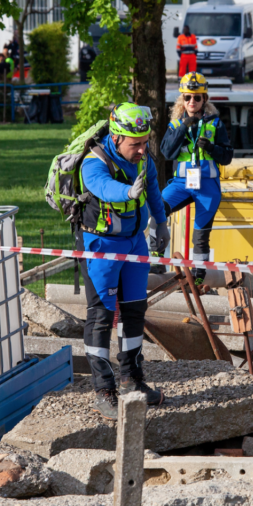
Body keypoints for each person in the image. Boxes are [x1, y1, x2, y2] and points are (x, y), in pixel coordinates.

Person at [77, 103, 170, 415]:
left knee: (134, 312)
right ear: (116, 138)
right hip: (100, 244)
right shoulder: (94, 161)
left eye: (145, 142)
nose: (143, 150)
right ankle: (103, 390)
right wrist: (129, 193)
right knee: (102, 316)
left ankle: (131, 380)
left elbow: (154, 191)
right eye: (136, 144)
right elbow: (101, 186)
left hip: (134, 244)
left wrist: (161, 223)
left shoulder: (144, 159)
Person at [157, 72, 234, 285]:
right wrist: (183, 127)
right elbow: (167, 153)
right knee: (156, 211)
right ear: (182, 99)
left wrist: (211, 147)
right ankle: (157, 260)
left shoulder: (215, 123)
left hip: (207, 186)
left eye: (197, 97)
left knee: (200, 236)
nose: (192, 101)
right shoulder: (175, 124)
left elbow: (227, 156)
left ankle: (199, 277)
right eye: (188, 97)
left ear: (205, 99)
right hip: (182, 184)